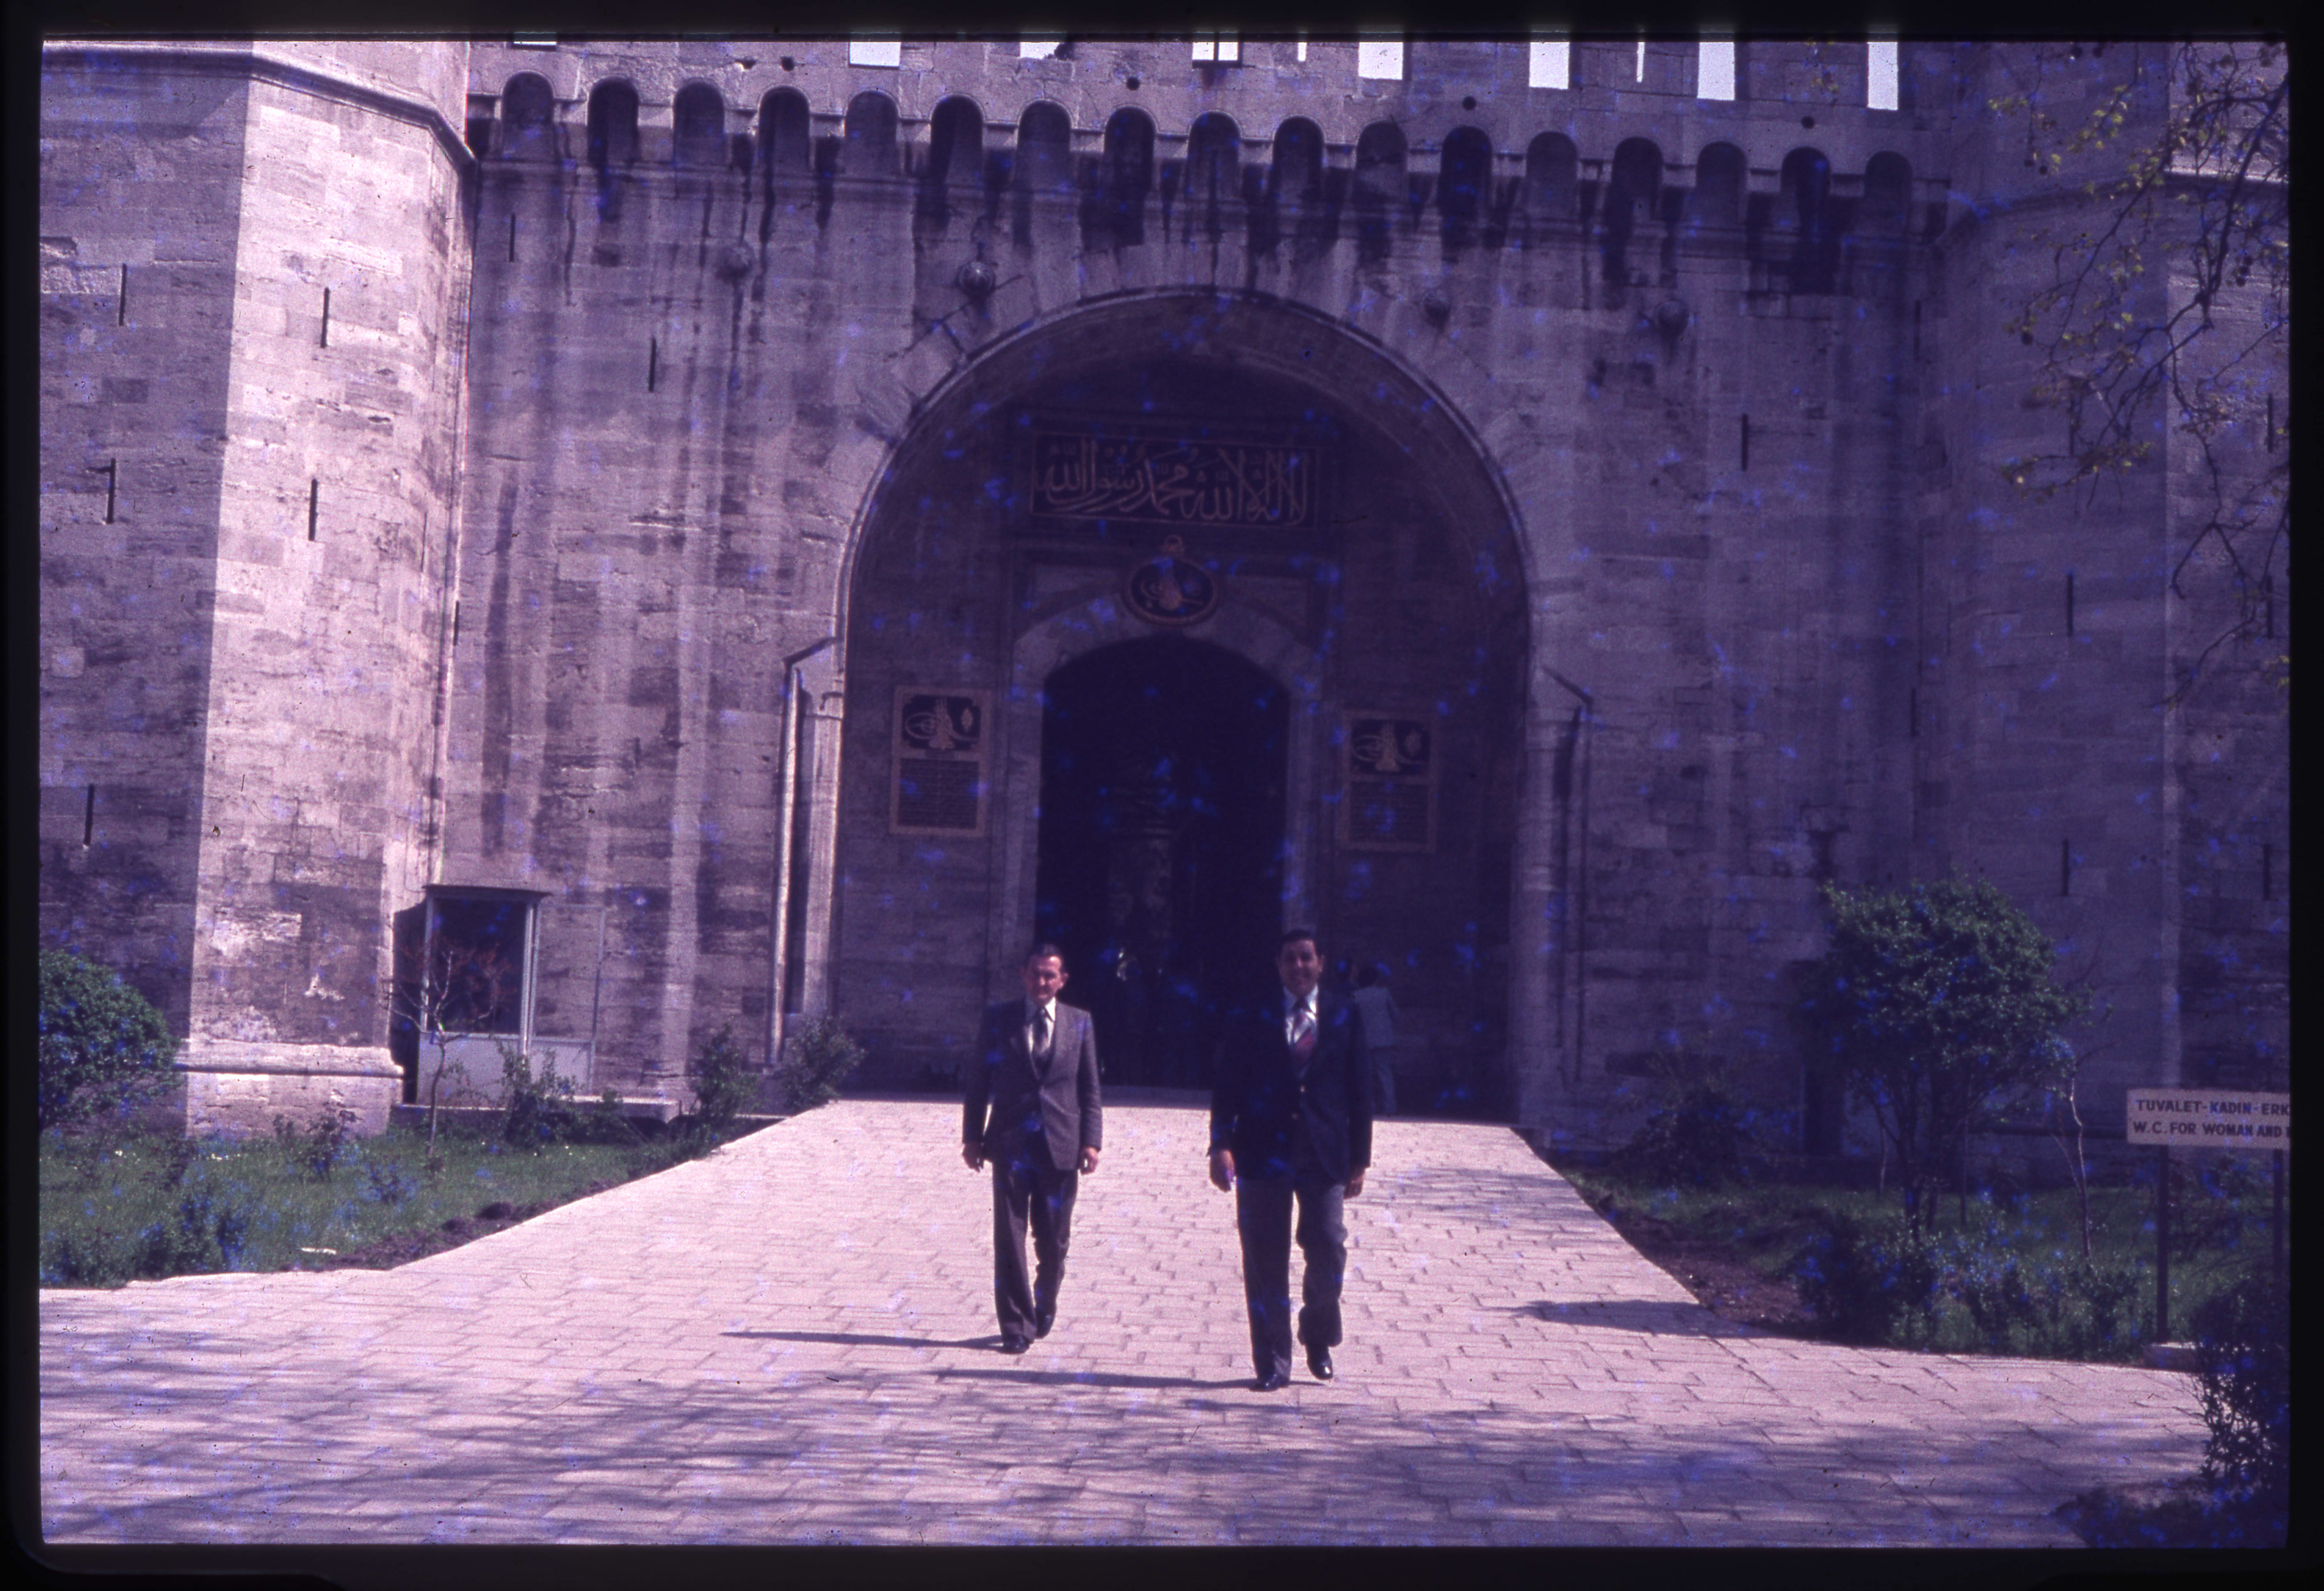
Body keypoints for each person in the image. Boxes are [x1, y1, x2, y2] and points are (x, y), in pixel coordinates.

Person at [1208, 929, 1372, 1391]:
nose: (1298, 967)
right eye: (1289, 959)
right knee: (1264, 1257)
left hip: (1324, 1151)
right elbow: (1227, 1083)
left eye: (1306, 958)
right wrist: (1220, 1144)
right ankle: (1273, 1362)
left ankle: (1317, 1333)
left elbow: (1360, 1090)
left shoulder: (1345, 1013)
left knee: (1328, 1245)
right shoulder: (1250, 1013)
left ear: (1321, 962)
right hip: (1262, 1148)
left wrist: (1360, 1158)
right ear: (1278, 964)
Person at [963, 944, 1102, 1355]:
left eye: (1050, 975)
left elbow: (1090, 1089)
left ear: (1062, 980)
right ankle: (1016, 1326)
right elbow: (978, 1081)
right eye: (1035, 973)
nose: (1042, 982)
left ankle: (1045, 1299)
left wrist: (1091, 1140)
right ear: (1023, 974)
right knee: (1009, 1236)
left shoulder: (1080, 1023)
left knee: (1054, 1240)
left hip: (1062, 1142)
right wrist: (972, 1137)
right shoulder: (999, 1019)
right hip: (1010, 1141)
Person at [1349, 962, 1401, 1117]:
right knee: (1385, 1074)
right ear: (1376, 979)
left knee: (1365, 1075)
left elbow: (1350, 1017)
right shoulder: (1384, 993)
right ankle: (1390, 1107)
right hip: (1383, 1039)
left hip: (1362, 1041)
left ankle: (1368, 1106)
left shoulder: (1355, 995)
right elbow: (1396, 1015)